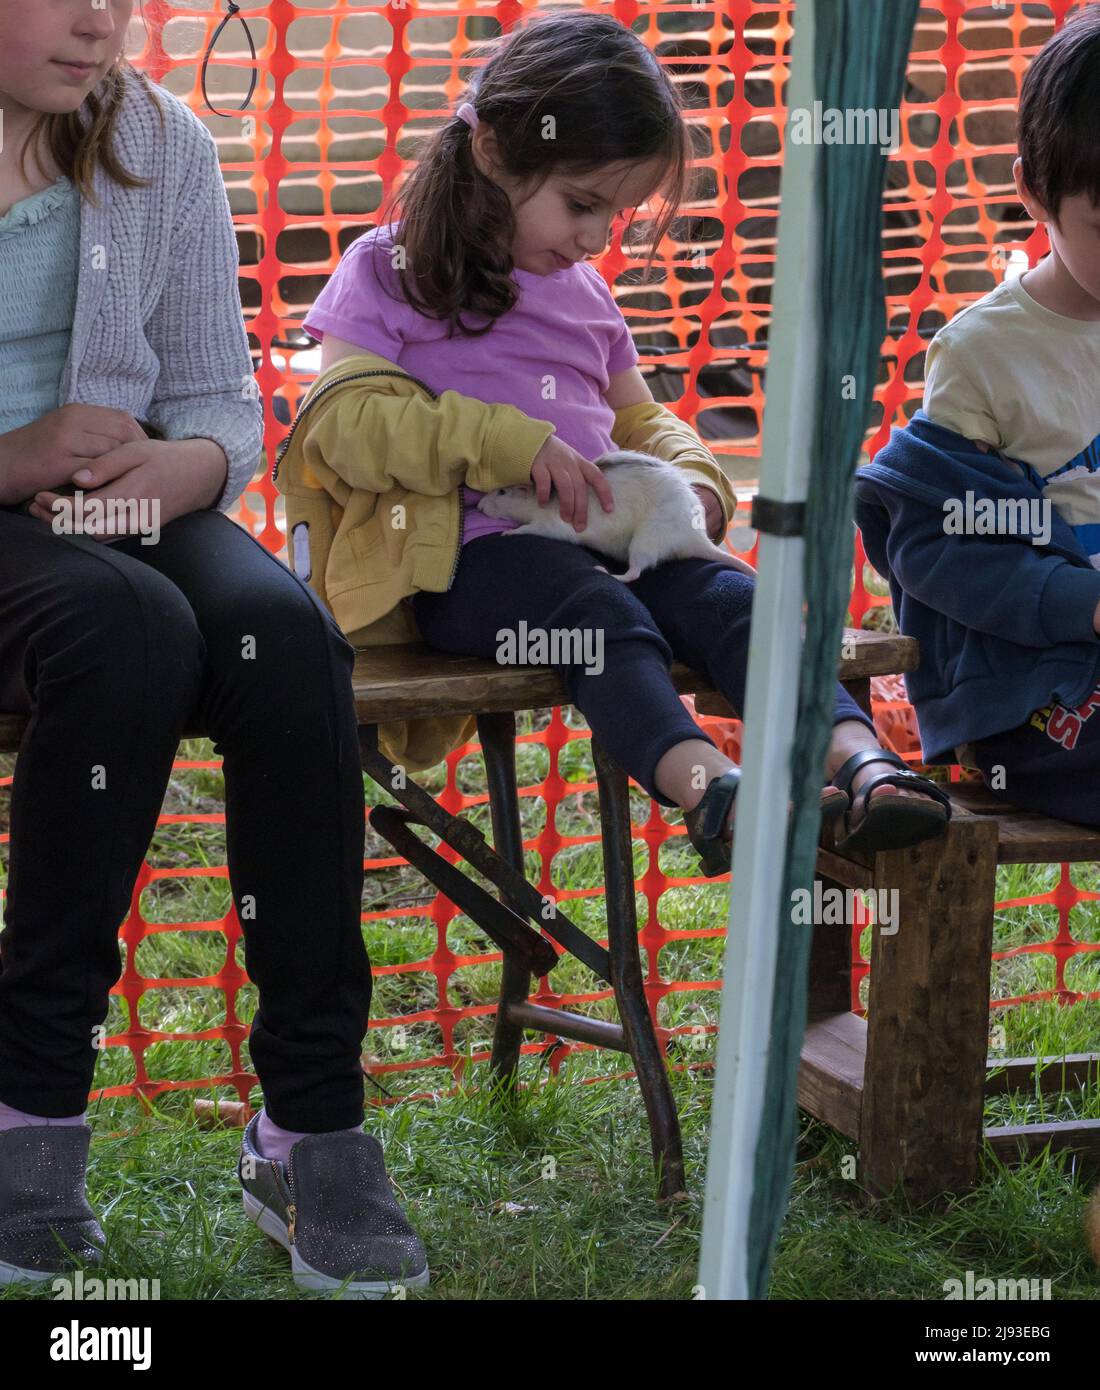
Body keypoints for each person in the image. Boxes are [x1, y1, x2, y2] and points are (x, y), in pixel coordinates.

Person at [280, 9, 951, 876]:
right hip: (476, 555)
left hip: (613, 539)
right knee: (600, 617)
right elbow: (342, 423)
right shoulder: (388, 269)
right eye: (582, 205)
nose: (599, 238)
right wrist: (508, 445)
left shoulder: (584, 295)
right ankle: (709, 790)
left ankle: (865, 770)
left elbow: (639, 419)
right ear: (491, 150)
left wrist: (692, 475)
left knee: (741, 602)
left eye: (620, 214)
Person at [0, 0, 426, 1297]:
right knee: (128, 628)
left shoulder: (161, 141)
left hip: (125, 501)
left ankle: (311, 1122)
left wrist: (179, 465)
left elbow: (218, 399)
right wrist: (15, 460)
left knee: (289, 637)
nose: (98, 20)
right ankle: (26, 1116)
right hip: (25, 524)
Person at [856, 6, 1100, 825]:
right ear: (1034, 189)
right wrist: (1082, 605)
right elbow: (932, 544)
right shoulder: (984, 354)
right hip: (1037, 698)